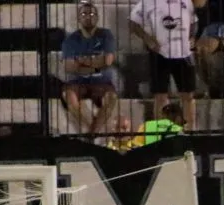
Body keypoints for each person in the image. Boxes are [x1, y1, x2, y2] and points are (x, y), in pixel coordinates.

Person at [130, 0, 204, 131]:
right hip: (160, 53)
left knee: (188, 95)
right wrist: (148, 40)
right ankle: (161, 133)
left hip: (184, 53)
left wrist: (192, 37)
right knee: (160, 95)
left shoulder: (186, 1)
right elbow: (133, 23)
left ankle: (190, 131)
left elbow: (194, 21)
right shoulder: (147, 2)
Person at [61, 2, 118, 136]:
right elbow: (69, 67)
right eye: (84, 14)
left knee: (112, 97)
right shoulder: (71, 39)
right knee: (67, 95)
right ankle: (90, 131)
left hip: (102, 83)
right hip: (77, 83)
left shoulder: (106, 35)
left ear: (97, 17)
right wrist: (96, 65)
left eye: (92, 14)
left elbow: (107, 61)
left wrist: (81, 61)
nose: (88, 17)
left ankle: (91, 133)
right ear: (79, 18)